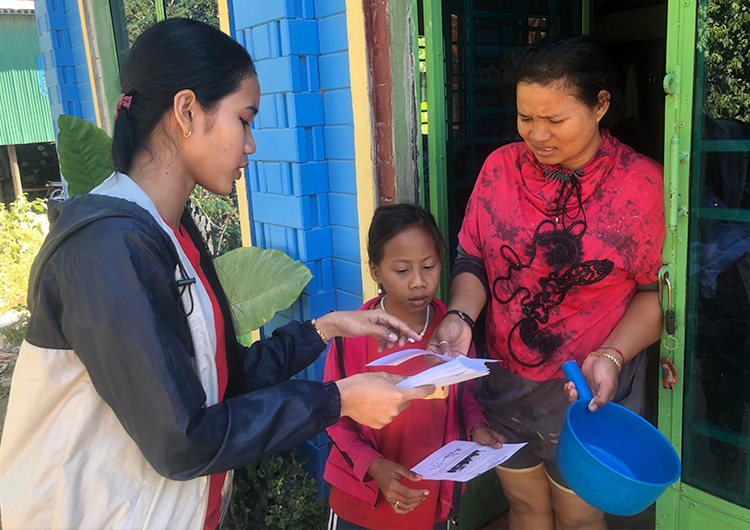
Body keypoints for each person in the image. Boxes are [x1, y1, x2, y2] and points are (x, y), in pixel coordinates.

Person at [0, 19, 435, 530]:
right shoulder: (107, 247)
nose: (250, 144)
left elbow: (222, 382)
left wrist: (329, 327)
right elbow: (182, 440)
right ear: (187, 111)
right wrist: (339, 400)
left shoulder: (170, 232)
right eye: (244, 119)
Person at [428, 35, 665, 530]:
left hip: (586, 392)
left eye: (555, 120)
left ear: (600, 105)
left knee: (578, 520)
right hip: (505, 385)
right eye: (525, 118)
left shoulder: (642, 188)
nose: (537, 135)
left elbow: (652, 295)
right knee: (526, 509)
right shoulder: (500, 168)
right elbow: (473, 258)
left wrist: (612, 355)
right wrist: (459, 315)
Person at [323, 204, 505, 530]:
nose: (418, 282)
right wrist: (373, 464)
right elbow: (331, 414)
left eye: (429, 266)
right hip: (363, 496)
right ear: (376, 272)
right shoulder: (350, 336)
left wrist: (477, 427)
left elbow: (464, 395)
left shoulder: (454, 331)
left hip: (428, 493)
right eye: (402, 270)